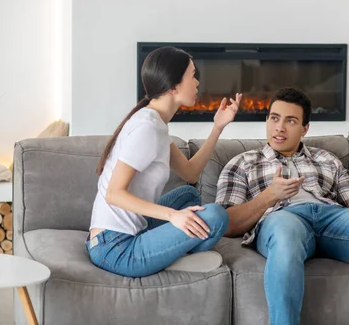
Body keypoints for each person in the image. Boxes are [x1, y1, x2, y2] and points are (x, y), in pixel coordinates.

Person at [215, 87, 349, 325]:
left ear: (305, 128)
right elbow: (227, 223)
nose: (279, 127)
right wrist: (270, 196)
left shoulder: (327, 159)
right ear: (267, 120)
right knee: (285, 235)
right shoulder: (243, 162)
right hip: (282, 218)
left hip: (331, 217)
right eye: (274, 118)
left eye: (290, 121)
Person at [87, 46, 242, 278]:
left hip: (125, 233)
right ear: (173, 86)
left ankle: (166, 252)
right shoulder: (147, 128)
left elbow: (190, 174)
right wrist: (173, 216)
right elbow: (114, 194)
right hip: (115, 247)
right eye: (192, 75)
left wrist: (218, 127)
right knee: (216, 216)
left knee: (188, 197)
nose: (198, 82)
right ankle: (170, 257)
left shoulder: (156, 122)